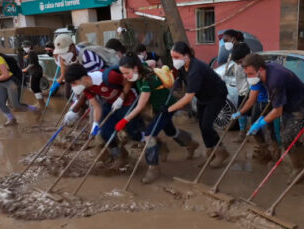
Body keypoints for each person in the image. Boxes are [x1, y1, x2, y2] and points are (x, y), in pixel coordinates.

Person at [115, 53, 199, 183]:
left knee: (149, 135)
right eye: (123, 74)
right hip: (162, 105)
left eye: (127, 73)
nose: (125, 77)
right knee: (170, 131)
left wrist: (124, 120)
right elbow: (153, 62)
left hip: (166, 107)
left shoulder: (147, 83)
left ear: (135, 69)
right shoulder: (143, 66)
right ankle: (191, 143)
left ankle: (153, 169)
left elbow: (140, 107)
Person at [243, 53, 304, 184]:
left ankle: (299, 168)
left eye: (251, 74)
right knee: (291, 136)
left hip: (299, 105)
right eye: (247, 74)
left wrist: (260, 123)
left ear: (261, 69)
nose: (249, 77)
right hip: (289, 103)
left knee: (288, 138)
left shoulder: (275, 80)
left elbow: (277, 111)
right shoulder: (267, 71)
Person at [64, 63, 140, 169]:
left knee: (134, 133)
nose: (73, 86)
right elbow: (96, 107)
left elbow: (128, 81)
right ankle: (120, 156)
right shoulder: (86, 88)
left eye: (74, 83)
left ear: (85, 78)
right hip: (110, 103)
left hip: (128, 100)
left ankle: (154, 144)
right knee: (105, 132)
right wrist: (95, 123)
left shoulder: (109, 77)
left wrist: (121, 97)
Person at [166, 41, 229, 168]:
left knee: (207, 124)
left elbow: (188, 97)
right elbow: (179, 83)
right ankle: (210, 152)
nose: (174, 60)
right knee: (202, 125)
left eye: (176, 57)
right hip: (203, 96)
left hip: (216, 95)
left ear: (186, 56)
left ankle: (222, 152)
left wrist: (169, 108)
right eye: (172, 57)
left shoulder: (196, 68)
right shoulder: (182, 67)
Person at [229, 44, 278, 162]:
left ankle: (274, 154)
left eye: (241, 61)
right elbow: (252, 96)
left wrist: (240, 112)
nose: (240, 65)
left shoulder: (258, 70)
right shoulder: (248, 70)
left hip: (267, 103)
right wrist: (240, 112)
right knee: (256, 129)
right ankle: (263, 148)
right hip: (259, 102)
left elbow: (252, 99)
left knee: (266, 129)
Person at [0, 42, 39, 126]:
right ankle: (11, 119)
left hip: (10, 82)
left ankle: (35, 110)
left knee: (16, 105)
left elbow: (5, 75)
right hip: (1, 82)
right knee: (0, 102)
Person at [227, 42, 252, 142]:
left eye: (240, 62)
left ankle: (259, 141)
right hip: (242, 91)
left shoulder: (252, 62)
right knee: (241, 112)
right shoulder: (238, 61)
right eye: (237, 62)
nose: (239, 64)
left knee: (254, 116)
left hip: (251, 92)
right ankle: (242, 134)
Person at [21, 40, 45, 108]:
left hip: (36, 72)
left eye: (25, 46)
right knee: (36, 87)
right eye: (23, 47)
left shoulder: (31, 53)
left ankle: (41, 104)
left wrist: (25, 69)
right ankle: (41, 103)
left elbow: (31, 64)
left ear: (30, 46)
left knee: (34, 88)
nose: (24, 48)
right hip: (35, 72)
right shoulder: (29, 53)